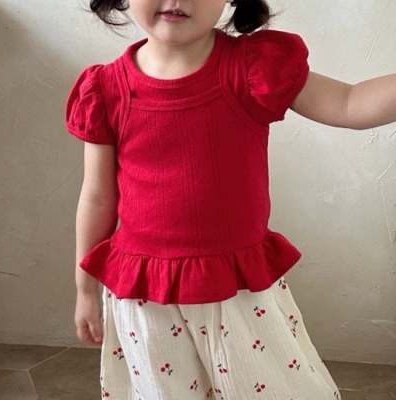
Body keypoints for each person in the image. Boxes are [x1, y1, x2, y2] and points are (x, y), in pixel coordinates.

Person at [65, 0, 396, 399]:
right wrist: (85, 290)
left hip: (237, 289)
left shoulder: (254, 69)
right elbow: (98, 198)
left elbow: (349, 103)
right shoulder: (103, 90)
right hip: (143, 296)